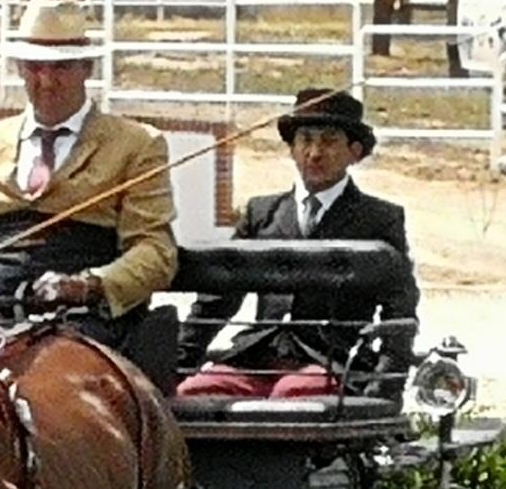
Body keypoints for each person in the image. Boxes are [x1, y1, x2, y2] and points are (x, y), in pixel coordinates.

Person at [0, 0, 177, 356]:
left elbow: (155, 251)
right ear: (20, 68)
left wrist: (90, 284)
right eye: (35, 67)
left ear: (87, 69)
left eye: (62, 68)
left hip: (82, 321)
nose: (47, 81)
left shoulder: (136, 145)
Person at [176, 88, 419, 399]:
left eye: (329, 141)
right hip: (255, 356)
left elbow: (399, 306)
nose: (315, 153)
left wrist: (386, 382)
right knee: (196, 392)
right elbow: (220, 296)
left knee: (294, 395)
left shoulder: (378, 219)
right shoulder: (262, 213)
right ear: (291, 148)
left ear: (354, 152)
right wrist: (179, 364)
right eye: (305, 140)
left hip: (330, 361)